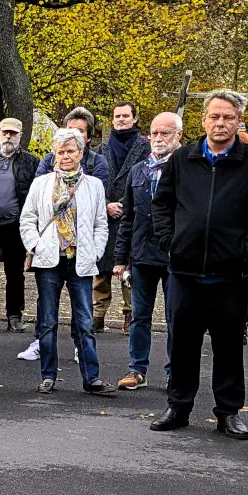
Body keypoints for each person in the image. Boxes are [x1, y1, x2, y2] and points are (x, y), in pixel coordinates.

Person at [149, 89, 248, 440]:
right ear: (203, 119)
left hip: (231, 275)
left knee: (228, 346)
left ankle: (228, 411)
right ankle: (178, 406)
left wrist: (245, 247)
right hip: (185, 272)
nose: (220, 123)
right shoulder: (183, 159)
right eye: (214, 116)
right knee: (182, 344)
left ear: (239, 121)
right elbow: (161, 204)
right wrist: (170, 242)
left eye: (228, 117)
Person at [20, 127, 115, 395]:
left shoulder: (94, 185)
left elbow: (100, 223)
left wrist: (96, 251)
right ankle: (48, 375)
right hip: (49, 260)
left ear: (81, 153)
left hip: (81, 261)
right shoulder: (41, 184)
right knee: (48, 321)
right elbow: (27, 219)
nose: (65, 156)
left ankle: (91, 378)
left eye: (70, 151)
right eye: (60, 152)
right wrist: (36, 246)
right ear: (54, 155)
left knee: (84, 322)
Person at [113, 112, 182, 390]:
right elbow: (128, 217)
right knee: (140, 316)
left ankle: (174, 371)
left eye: (165, 133)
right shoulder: (138, 170)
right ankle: (136, 369)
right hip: (141, 255)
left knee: (175, 317)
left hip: (174, 256)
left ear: (178, 135)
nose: (158, 139)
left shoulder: (185, 169)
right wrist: (120, 259)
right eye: (154, 133)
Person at [0, 118, 39, 332]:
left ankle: (14, 315)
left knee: (15, 273)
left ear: (20, 135)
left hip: (15, 225)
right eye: (5, 132)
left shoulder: (31, 162)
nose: (8, 137)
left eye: (13, 133)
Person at [98, 103, 150, 332]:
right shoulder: (102, 148)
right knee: (101, 270)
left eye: (125, 116)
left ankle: (130, 317)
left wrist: (127, 206)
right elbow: (95, 180)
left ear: (134, 119)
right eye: (117, 116)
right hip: (105, 216)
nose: (121, 119)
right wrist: (105, 204)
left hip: (133, 216)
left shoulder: (145, 147)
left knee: (130, 270)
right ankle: (97, 316)